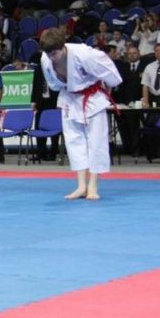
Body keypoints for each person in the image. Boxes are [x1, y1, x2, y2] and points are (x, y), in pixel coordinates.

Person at [40, 28, 122, 200]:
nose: (51, 58)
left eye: (54, 54)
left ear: (63, 47)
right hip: (69, 99)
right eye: (48, 54)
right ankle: (81, 186)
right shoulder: (45, 58)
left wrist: (107, 88)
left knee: (96, 142)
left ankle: (93, 186)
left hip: (92, 99)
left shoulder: (85, 54)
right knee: (74, 142)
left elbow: (111, 74)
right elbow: (53, 85)